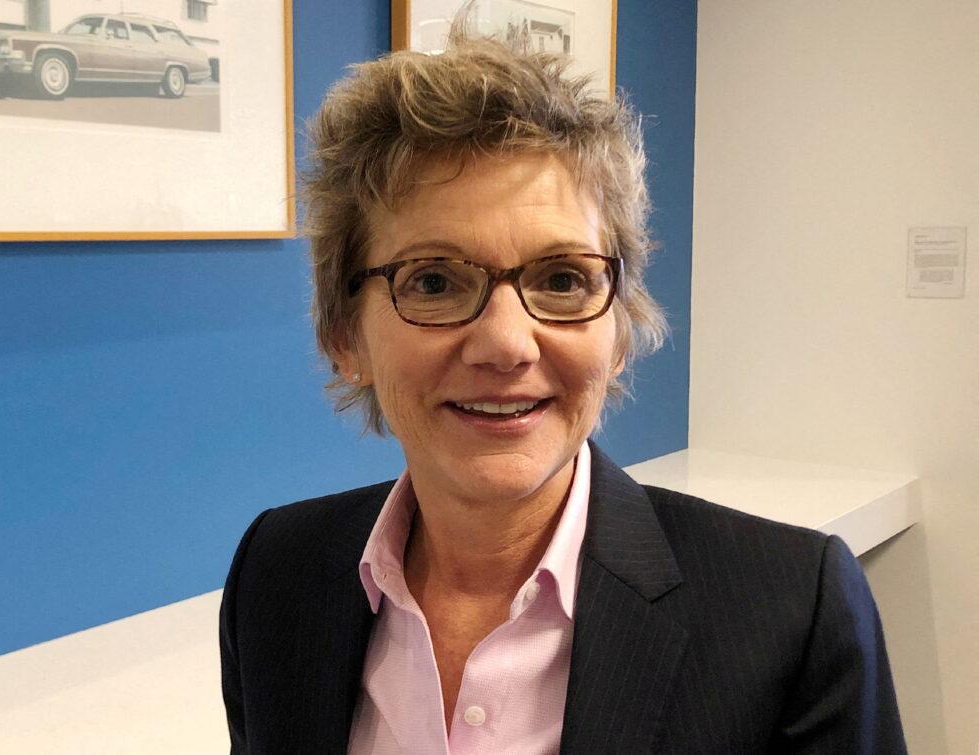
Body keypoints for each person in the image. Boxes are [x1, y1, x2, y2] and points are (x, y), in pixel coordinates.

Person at [219, 33, 906, 754]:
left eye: (561, 279)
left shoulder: (793, 613)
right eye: (433, 280)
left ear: (618, 329)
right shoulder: (277, 572)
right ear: (343, 334)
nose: (508, 343)